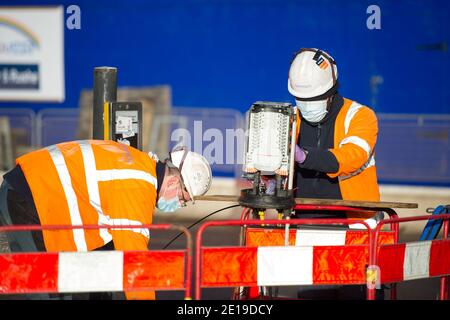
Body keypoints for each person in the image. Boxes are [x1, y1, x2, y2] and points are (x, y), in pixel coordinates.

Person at [0, 140, 212, 300]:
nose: (179, 204)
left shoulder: (140, 164)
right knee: (46, 288)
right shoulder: (138, 186)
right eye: (183, 199)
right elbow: (135, 260)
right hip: (29, 197)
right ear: (175, 181)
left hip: (28, 192)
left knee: (43, 283)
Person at [287, 47, 383, 299]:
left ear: (331, 91)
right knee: (313, 296)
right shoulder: (290, 120)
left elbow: (352, 156)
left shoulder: (360, 117)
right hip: (309, 226)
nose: (306, 106)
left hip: (356, 228)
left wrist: (304, 156)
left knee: (360, 295)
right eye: (301, 99)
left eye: (313, 98)